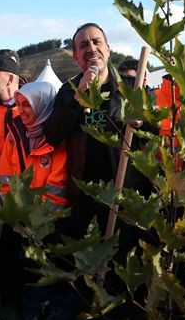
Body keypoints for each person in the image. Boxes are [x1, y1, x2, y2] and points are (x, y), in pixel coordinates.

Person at [45, 22, 140, 235]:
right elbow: (52, 135)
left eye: (96, 42)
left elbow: (156, 134)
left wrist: (143, 123)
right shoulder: (68, 92)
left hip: (125, 192)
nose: (91, 48)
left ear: (108, 49)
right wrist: (78, 99)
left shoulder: (132, 89)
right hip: (85, 196)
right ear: (76, 57)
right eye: (83, 45)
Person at [0, 81, 66, 207]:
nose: (21, 110)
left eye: (26, 104)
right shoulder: (14, 134)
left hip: (48, 218)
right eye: (18, 104)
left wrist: (37, 218)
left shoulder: (58, 136)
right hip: (19, 215)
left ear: (43, 105)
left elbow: (58, 186)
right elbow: (5, 177)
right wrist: (10, 209)